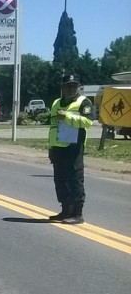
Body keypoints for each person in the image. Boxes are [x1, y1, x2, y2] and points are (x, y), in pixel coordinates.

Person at [47, 75, 94, 224]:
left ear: (78, 87)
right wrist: (51, 147)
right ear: (62, 87)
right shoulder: (56, 103)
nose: (70, 88)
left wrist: (67, 116)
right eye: (67, 86)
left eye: (74, 86)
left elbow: (88, 122)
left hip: (74, 146)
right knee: (60, 180)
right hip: (58, 147)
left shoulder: (83, 102)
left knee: (75, 179)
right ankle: (66, 210)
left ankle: (77, 213)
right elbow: (53, 127)